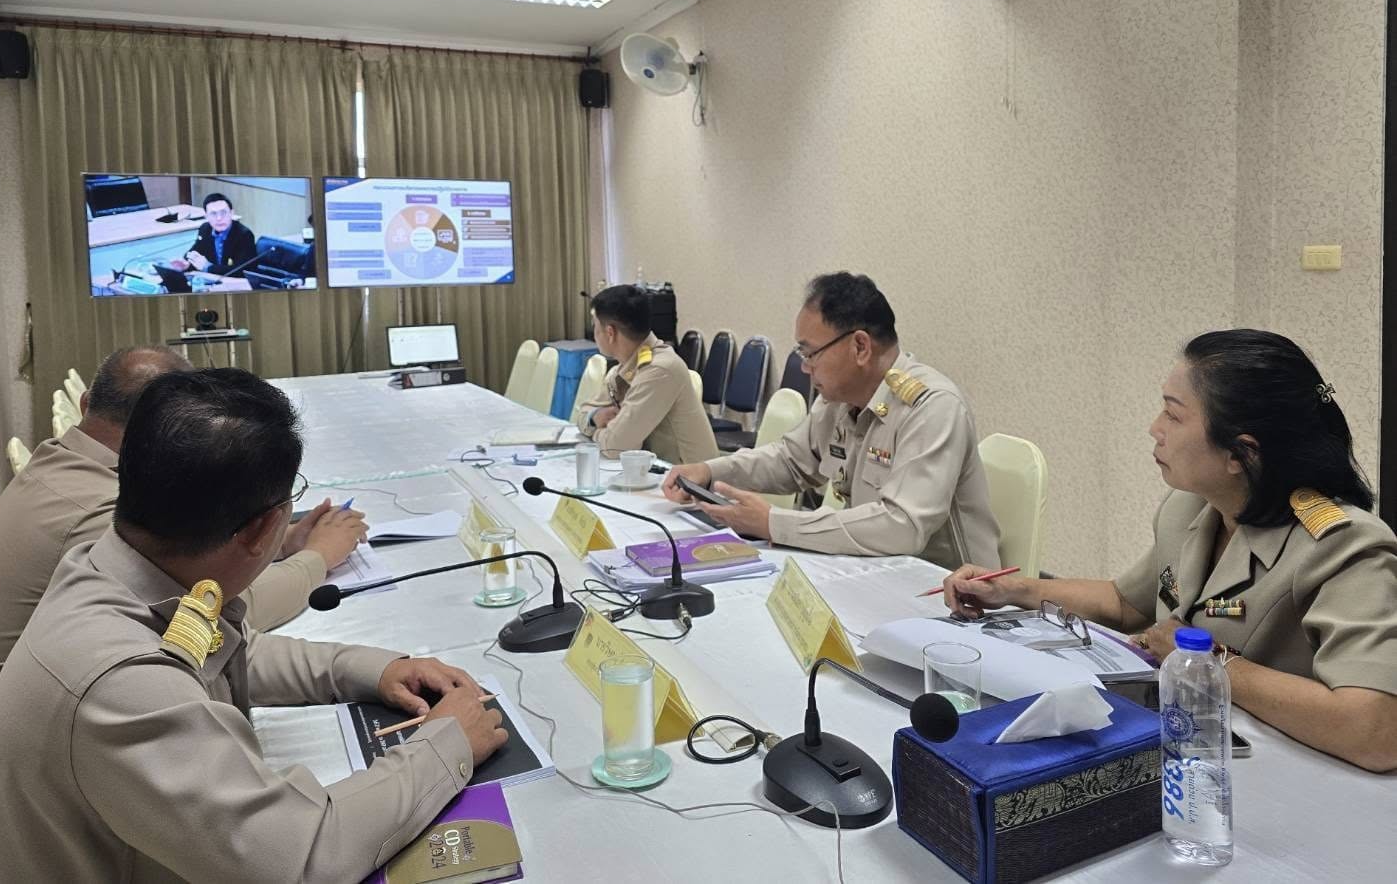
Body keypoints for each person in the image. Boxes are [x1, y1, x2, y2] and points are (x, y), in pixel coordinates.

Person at [0, 368, 506, 881]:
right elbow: (303, 856)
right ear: (264, 530)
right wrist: (446, 745)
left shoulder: (117, 563)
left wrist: (374, 668)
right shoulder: (120, 683)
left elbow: (222, 649)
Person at [0, 347, 367, 877]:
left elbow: (211, 629)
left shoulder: (70, 464)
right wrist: (317, 557)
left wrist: (272, 541)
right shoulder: (95, 525)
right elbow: (229, 611)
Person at [943, 330, 1397, 772]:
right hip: (1191, 753)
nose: (1154, 429)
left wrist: (1202, 659)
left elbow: (1374, 732)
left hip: (1293, 782)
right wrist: (1012, 589)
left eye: (1174, 416)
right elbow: (1125, 602)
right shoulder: (1192, 506)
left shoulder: (1342, 545)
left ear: (1241, 453)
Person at [662, 272, 1000, 568]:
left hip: (952, 598)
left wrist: (775, 524)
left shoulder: (931, 407)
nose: (806, 367)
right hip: (878, 571)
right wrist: (710, 472)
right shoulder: (840, 400)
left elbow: (902, 527)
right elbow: (790, 461)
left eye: (811, 354)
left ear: (860, 347)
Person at [578, 284, 719, 464]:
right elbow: (583, 414)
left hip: (690, 484)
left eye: (594, 326)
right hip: (655, 476)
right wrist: (594, 418)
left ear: (610, 333)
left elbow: (616, 447)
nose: (594, 334)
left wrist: (597, 432)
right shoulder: (621, 369)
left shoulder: (660, 370)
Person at [177, 192, 256, 274]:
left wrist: (208, 267)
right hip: (213, 279)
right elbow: (195, 251)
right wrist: (186, 263)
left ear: (231, 213)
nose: (219, 218)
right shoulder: (205, 229)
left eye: (223, 213)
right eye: (213, 214)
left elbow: (242, 271)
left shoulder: (244, 235)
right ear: (206, 216)